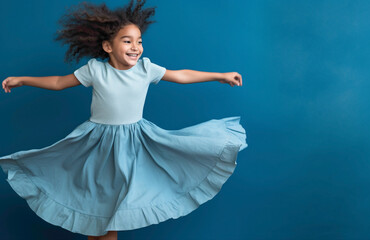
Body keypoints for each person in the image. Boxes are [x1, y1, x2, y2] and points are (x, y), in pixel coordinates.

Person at [0, 0, 247, 239]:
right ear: (108, 46)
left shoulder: (145, 69)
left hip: (134, 147)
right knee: (97, 216)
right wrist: (23, 80)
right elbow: (58, 82)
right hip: (96, 146)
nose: (135, 47)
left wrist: (219, 75)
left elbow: (181, 75)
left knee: (111, 216)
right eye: (127, 41)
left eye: (139, 41)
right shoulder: (95, 70)